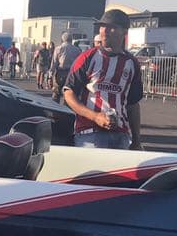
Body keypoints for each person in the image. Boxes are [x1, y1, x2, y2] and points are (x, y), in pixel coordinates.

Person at [61, 9, 144, 150]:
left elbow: (133, 104)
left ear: (124, 32)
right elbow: (68, 93)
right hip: (89, 133)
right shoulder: (88, 57)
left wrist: (136, 140)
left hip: (121, 135)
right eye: (102, 26)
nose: (104, 31)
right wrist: (95, 116)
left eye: (112, 27)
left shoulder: (131, 63)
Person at [49, 31, 76, 97]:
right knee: (68, 95)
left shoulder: (58, 49)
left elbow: (54, 63)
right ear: (71, 39)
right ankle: (65, 106)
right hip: (71, 74)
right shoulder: (77, 50)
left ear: (62, 39)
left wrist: (50, 76)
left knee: (56, 94)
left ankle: (54, 107)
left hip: (60, 73)